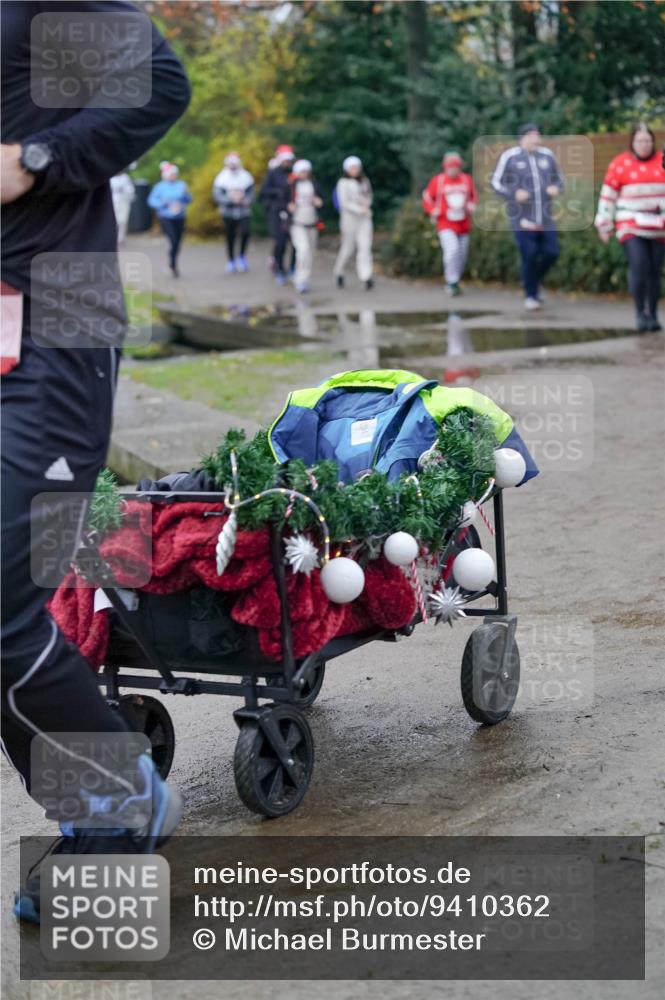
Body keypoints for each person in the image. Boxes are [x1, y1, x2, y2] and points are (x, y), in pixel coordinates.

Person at [1, 0, 190, 922]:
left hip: (54, 319)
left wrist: (35, 159)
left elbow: (158, 86)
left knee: (0, 599)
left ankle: (115, 806)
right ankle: (96, 799)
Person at [595, 122, 665, 331]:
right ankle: (639, 313)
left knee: (654, 270)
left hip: (659, 224)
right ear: (632, 142)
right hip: (631, 223)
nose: (644, 145)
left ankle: (652, 314)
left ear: (653, 142)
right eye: (639, 141)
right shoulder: (620, 164)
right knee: (639, 265)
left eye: (647, 140)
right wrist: (604, 223)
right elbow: (608, 196)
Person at [491, 123, 564, 310]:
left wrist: (556, 188)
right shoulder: (510, 157)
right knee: (530, 255)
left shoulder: (547, 155)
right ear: (522, 139)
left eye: (537, 135)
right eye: (531, 136)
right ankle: (531, 295)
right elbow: (495, 184)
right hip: (521, 219)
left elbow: (560, 179)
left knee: (552, 252)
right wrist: (514, 193)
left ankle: (532, 281)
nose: (535, 139)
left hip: (546, 217)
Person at [422, 152, 478, 296]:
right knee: (452, 250)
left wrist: (472, 205)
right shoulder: (439, 181)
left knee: (461, 255)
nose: (452, 170)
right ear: (445, 167)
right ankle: (451, 281)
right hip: (445, 222)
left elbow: (473, 197)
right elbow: (427, 197)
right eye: (450, 167)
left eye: (455, 167)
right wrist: (432, 210)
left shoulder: (466, 180)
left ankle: (455, 280)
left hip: (463, 223)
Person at [333, 155, 374, 290]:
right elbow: (344, 203)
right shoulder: (342, 183)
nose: (355, 170)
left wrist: (366, 205)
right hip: (349, 219)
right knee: (348, 248)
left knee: (365, 247)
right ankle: (339, 271)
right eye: (352, 168)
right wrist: (359, 209)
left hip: (364, 219)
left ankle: (366, 276)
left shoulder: (364, 181)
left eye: (356, 167)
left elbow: (368, 196)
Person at [147, 161, 192, 277]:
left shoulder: (181, 185)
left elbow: (188, 199)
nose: (173, 176)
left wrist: (186, 195)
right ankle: (172, 264)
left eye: (175, 174)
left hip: (180, 216)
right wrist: (164, 204)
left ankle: (173, 263)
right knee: (172, 240)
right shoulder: (160, 186)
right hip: (166, 217)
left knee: (177, 242)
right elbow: (151, 201)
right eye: (171, 174)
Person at [212, 151, 255, 274]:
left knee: (245, 232)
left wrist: (246, 200)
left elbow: (251, 192)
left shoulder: (246, 176)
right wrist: (230, 199)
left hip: (244, 211)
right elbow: (217, 195)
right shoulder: (222, 178)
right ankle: (231, 260)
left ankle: (242, 256)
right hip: (228, 212)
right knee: (230, 236)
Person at [259, 144, 295, 284]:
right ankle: (279, 269)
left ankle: (292, 268)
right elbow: (263, 193)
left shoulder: (295, 173)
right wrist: (277, 193)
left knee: (295, 243)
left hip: (292, 213)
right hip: (276, 213)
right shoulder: (273, 174)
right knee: (280, 242)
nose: (287, 163)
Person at [288, 159, 324, 294]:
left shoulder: (314, 184)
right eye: (301, 171)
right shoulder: (291, 186)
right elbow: (282, 202)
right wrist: (288, 207)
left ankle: (305, 278)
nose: (304, 173)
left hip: (312, 223)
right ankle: (300, 279)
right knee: (303, 251)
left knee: (310, 253)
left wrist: (319, 202)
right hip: (297, 224)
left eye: (306, 171)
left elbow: (322, 200)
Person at [110, 169, 135, 246]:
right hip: (113, 202)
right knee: (114, 221)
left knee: (123, 221)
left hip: (123, 201)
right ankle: (113, 237)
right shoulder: (111, 178)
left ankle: (120, 238)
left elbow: (130, 190)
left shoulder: (125, 178)